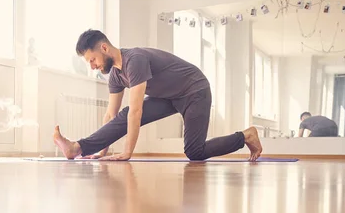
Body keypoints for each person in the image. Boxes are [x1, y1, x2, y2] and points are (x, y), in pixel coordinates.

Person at [53, 29, 263, 161]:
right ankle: (76, 148)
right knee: (122, 114)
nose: (92, 66)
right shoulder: (115, 75)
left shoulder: (134, 60)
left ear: (104, 48)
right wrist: (102, 150)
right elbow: (110, 116)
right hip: (169, 96)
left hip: (194, 90)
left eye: (92, 60)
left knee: (194, 153)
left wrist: (127, 153)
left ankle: (246, 136)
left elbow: (136, 111)